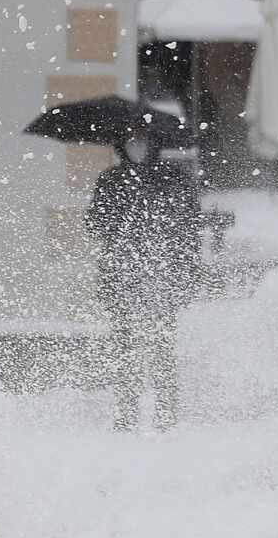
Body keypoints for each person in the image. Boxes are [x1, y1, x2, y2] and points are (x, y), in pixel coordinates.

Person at [84, 131, 201, 431]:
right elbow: (95, 225)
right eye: (131, 142)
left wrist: (186, 273)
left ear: (155, 145)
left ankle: (165, 412)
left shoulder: (173, 180)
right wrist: (119, 215)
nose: (137, 148)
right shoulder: (111, 180)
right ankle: (126, 412)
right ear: (121, 145)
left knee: (162, 349)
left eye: (143, 142)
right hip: (121, 277)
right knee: (124, 350)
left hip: (163, 276)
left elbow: (188, 229)